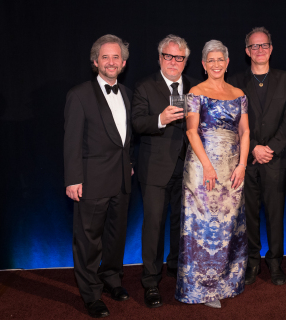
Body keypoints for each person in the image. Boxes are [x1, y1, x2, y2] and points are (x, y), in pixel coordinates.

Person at [175, 40, 249, 309]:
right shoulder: (196, 92)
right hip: (201, 165)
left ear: (227, 63)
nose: (216, 64)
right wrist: (207, 165)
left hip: (232, 167)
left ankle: (226, 283)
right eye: (211, 60)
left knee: (228, 224)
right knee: (203, 226)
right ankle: (201, 289)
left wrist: (242, 165)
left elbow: (245, 132)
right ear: (204, 65)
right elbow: (191, 131)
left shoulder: (239, 93)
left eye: (221, 59)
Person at [64, 34, 133, 318]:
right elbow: (71, 140)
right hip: (90, 181)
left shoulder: (127, 93)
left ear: (124, 62)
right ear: (95, 61)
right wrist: (72, 178)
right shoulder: (79, 94)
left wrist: (126, 163)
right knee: (89, 241)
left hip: (120, 180)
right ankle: (91, 294)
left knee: (116, 238)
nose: (111, 61)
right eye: (105, 56)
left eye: (116, 57)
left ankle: (111, 278)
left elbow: (124, 139)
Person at [131, 34, 199, 308]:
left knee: (181, 225)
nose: (173, 62)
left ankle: (175, 267)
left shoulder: (195, 85)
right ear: (160, 58)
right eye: (168, 56)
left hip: (187, 170)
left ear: (185, 61)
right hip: (156, 170)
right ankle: (150, 281)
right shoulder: (144, 86)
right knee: (154, 226)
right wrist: (160, 119)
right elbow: (136, 123)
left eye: (179, 57)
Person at [228, 27, 286, 286]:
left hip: (276, 160)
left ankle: (276, 263)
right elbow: (232, 121)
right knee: (250, 215)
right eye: (254, 46)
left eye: (264, 45)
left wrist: (271, 149)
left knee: (276, 215)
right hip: (246, 159)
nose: (259, 50)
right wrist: (254, 147)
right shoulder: (235, 81)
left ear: (271, 48)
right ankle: (252, 261)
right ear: (247, 51)